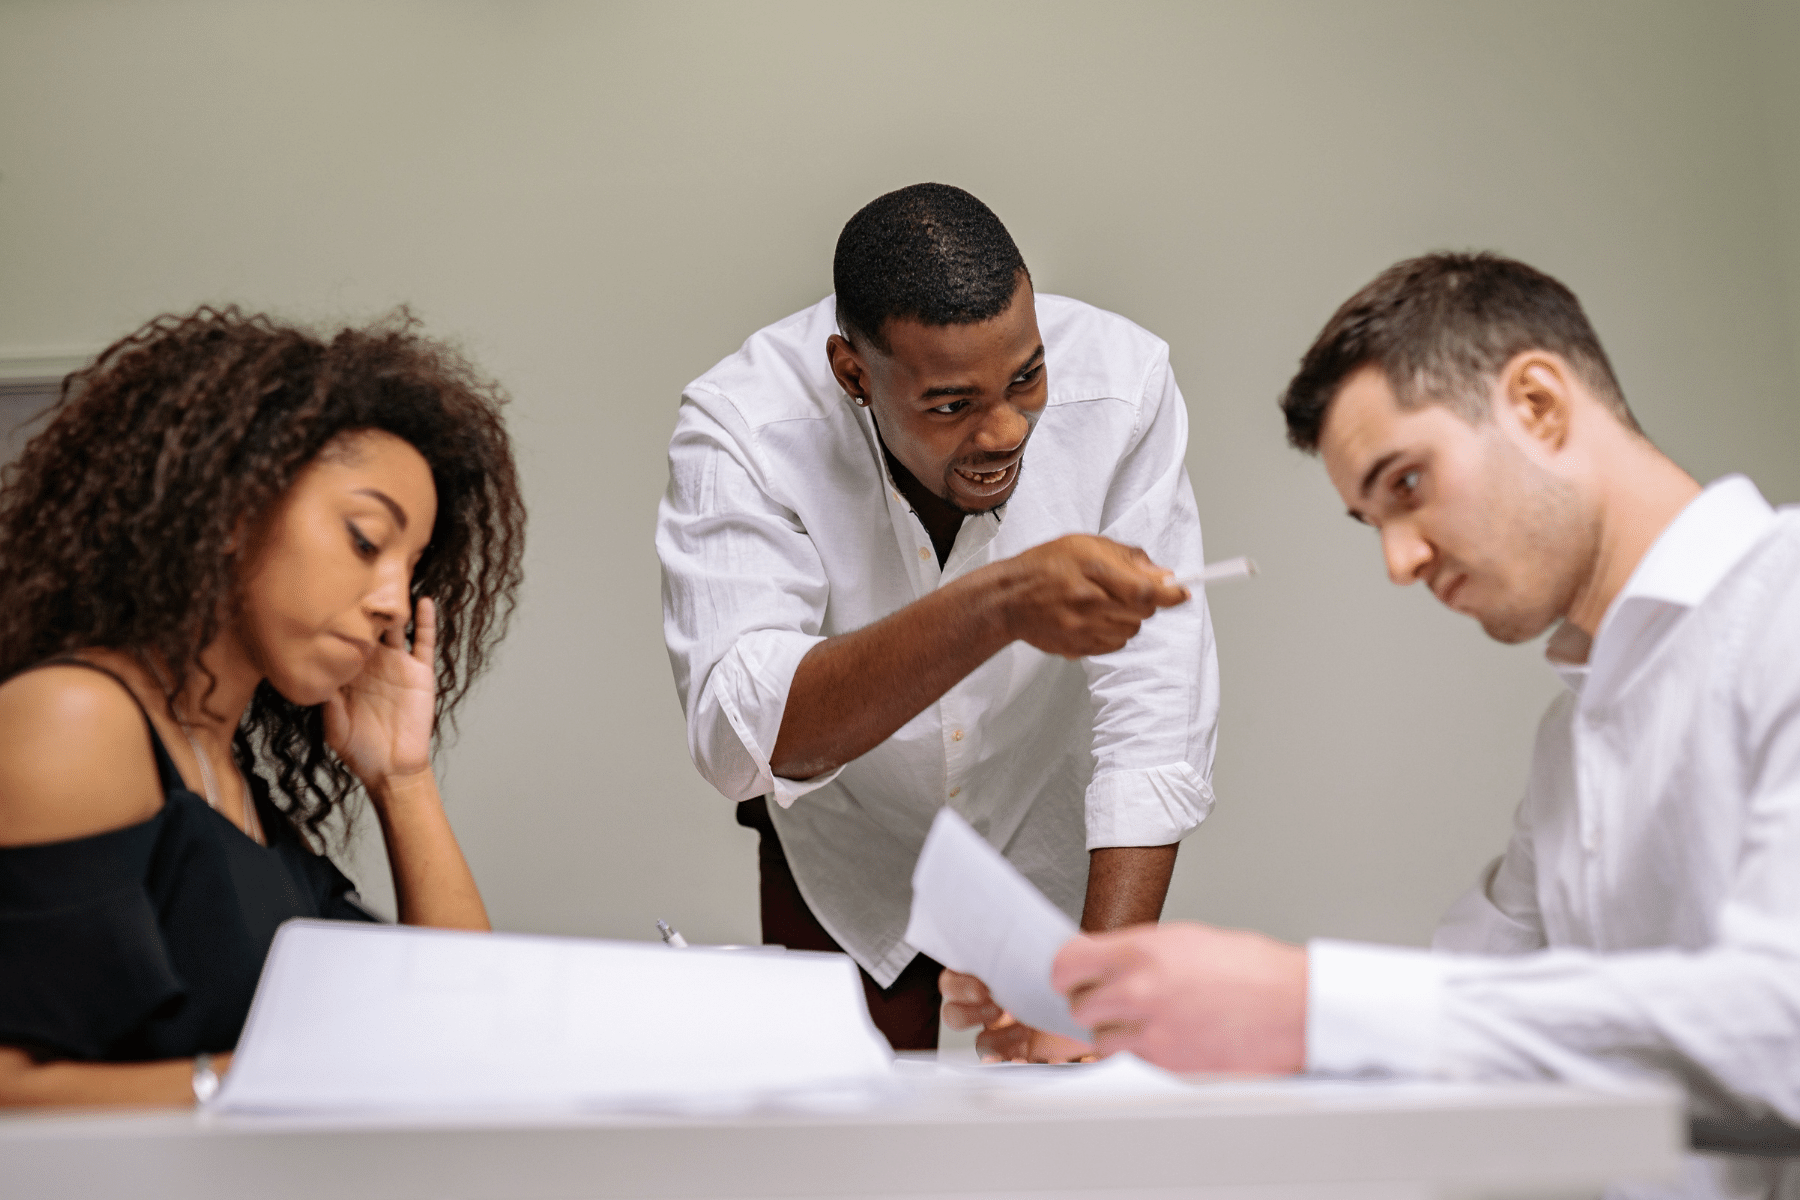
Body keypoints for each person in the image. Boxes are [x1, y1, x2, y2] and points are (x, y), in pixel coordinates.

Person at [944, 253, 1800, 1196]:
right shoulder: (1577, 740)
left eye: (1407, 484)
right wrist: (1132, 1015)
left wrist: (1301, 1005)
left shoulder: (1785, 611)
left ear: (1540, 404)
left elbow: (1781, 1029)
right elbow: (1463, 1019)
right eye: (1370, 518)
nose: (1399, 559)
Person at [658, 182, 1219, 1055]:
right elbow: (740, 744)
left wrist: (1097, 992)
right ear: (854, 372)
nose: (1004, 431)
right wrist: (999, 603)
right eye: (951, 405)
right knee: (849, 1157)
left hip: (1050, 820)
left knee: (1061, 1150)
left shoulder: (1123, 385)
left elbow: (1156, 705)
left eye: (1026, 378)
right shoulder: (746, 426)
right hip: (847, 851)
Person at [0, 306, 526, 1107]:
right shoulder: (78, 719)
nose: (393, 601)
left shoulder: (231, 782)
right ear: (232, 509)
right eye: (364, 539)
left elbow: (459, 1021)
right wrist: (263, 1088)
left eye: (411, 566)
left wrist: (402, 778)